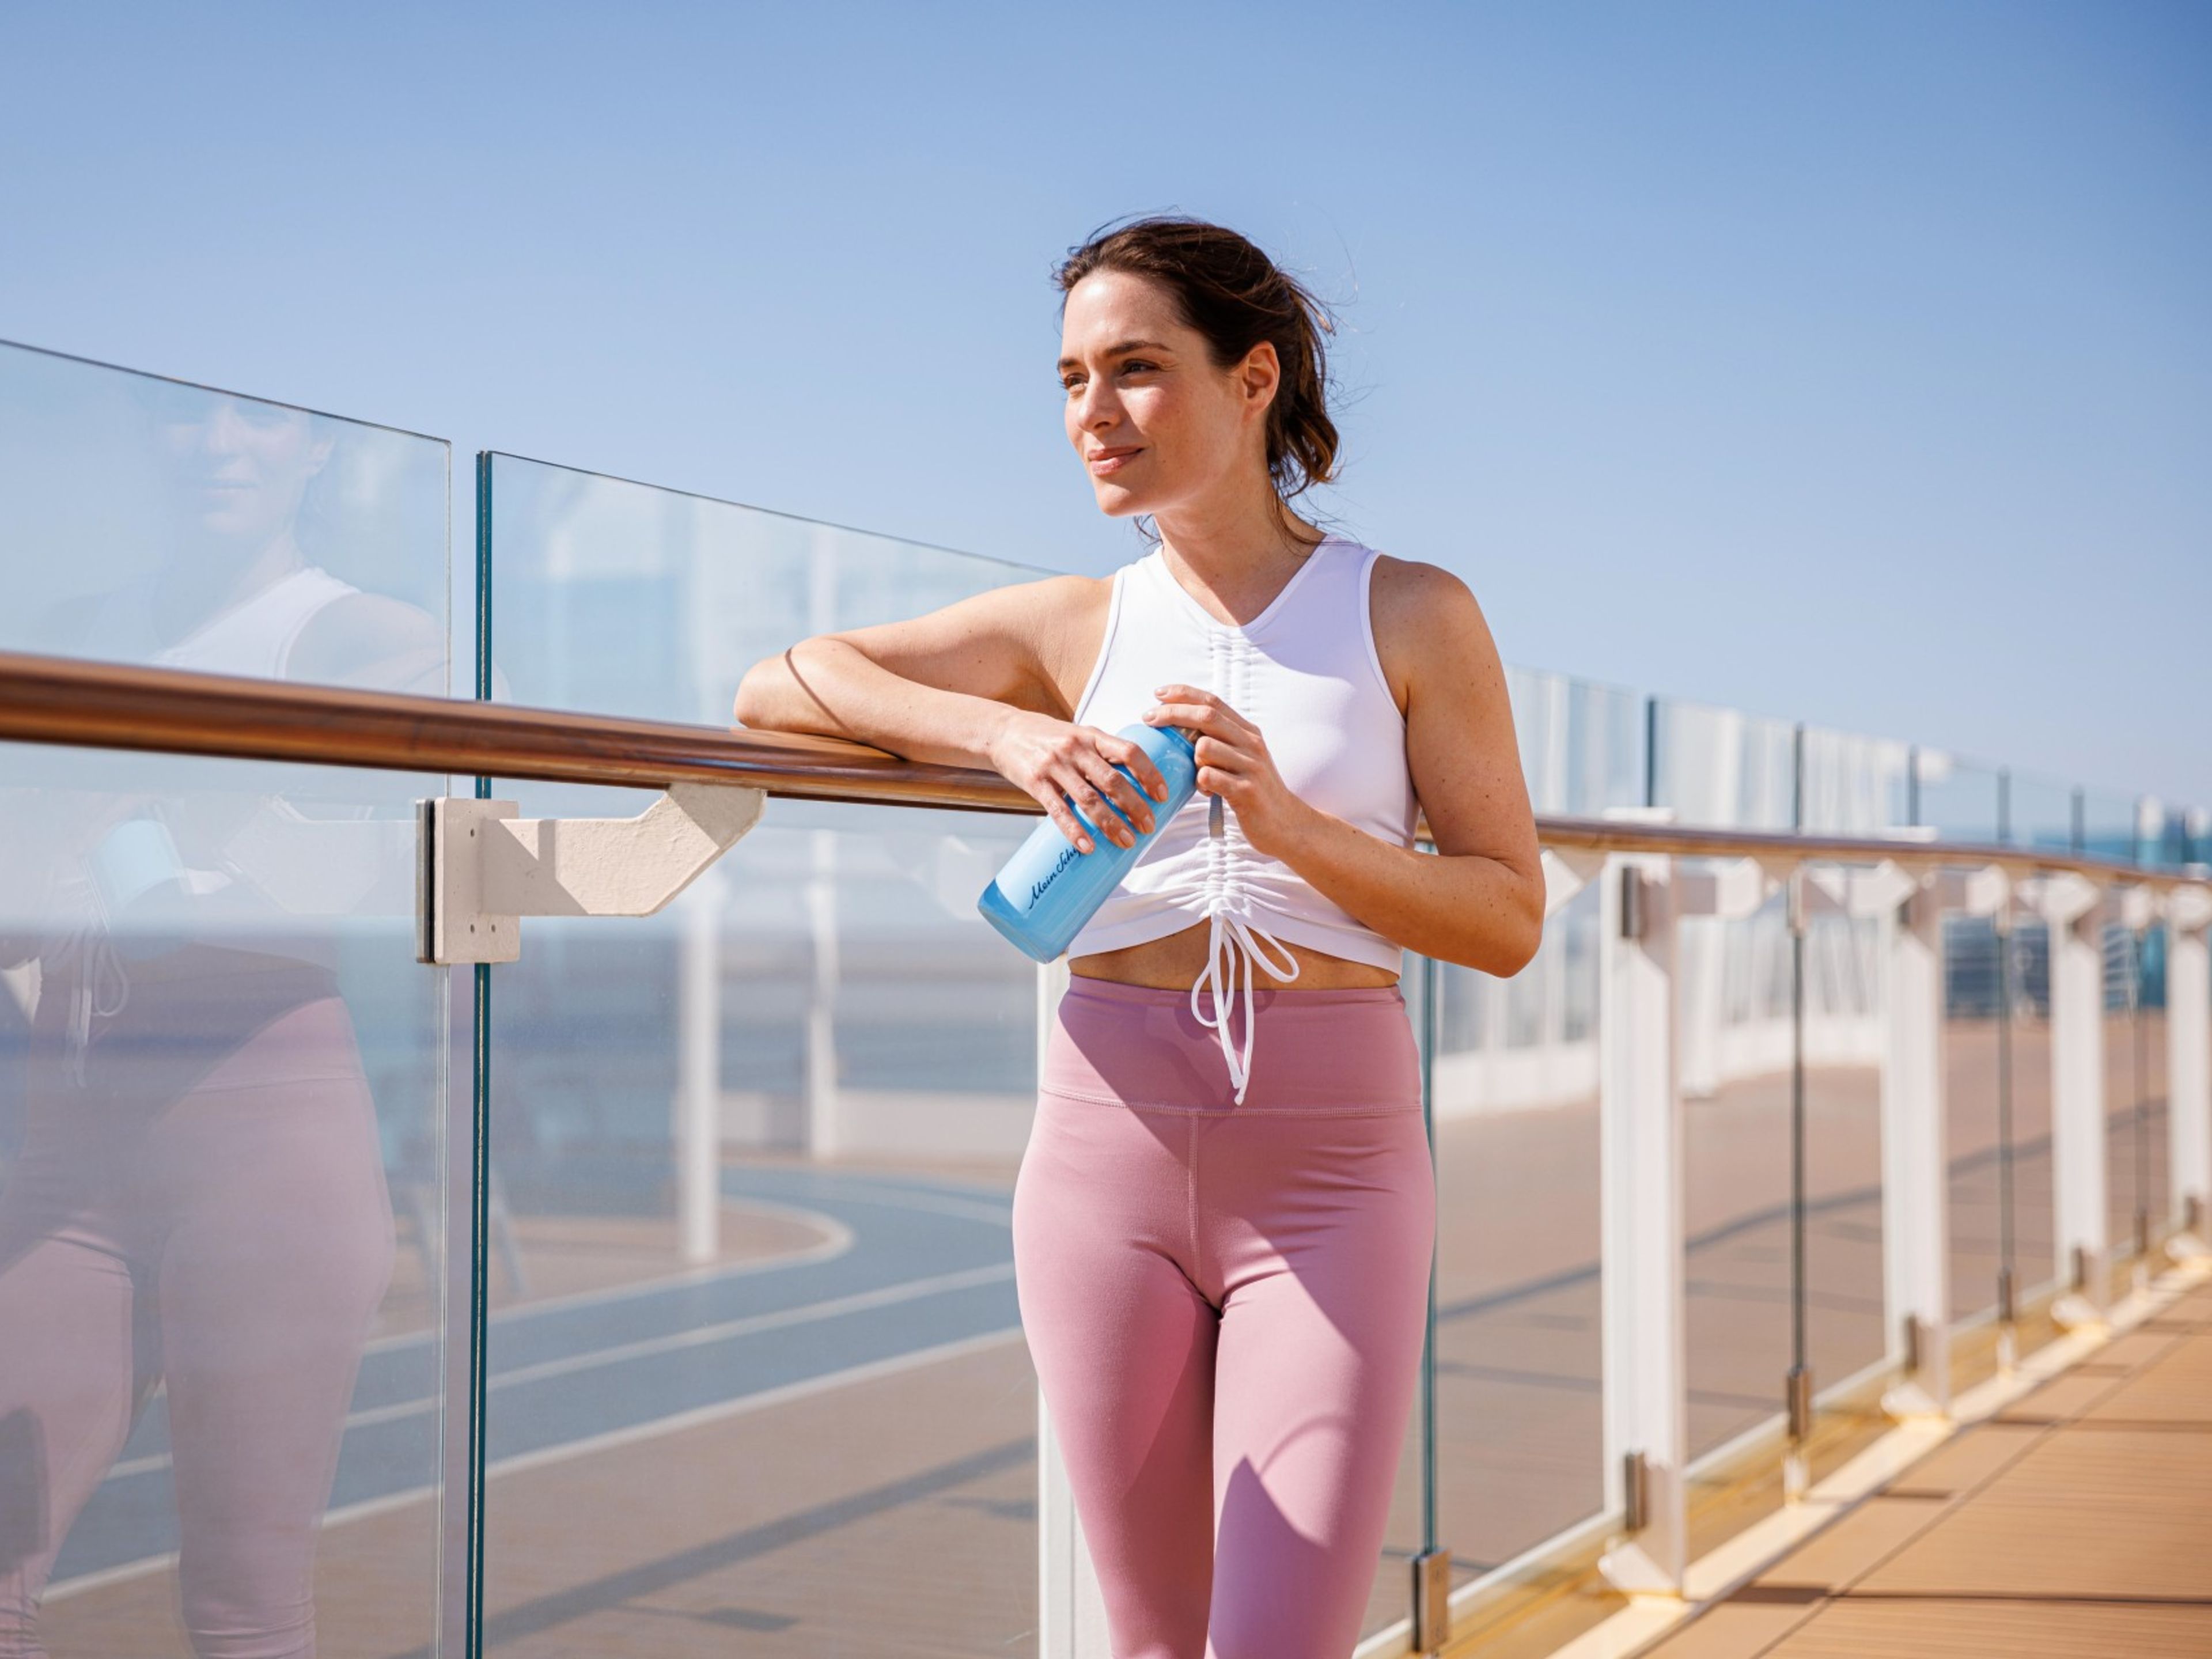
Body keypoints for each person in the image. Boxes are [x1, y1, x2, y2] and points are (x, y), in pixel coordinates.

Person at [732, 214, 1544, 1658]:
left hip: (1332, 1163)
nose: (1092, 415)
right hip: (1100, 1141)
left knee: (1277, 1640)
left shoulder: (1413, 611)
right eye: (1067, 379)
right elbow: (782, 684)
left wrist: (1293, 829)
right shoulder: (1071, 623)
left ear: (1252, 381)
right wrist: (1003, 734)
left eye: (1135, 369)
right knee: (1154, 1639)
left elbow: (1507, 916)